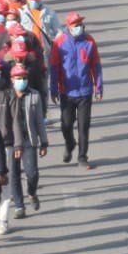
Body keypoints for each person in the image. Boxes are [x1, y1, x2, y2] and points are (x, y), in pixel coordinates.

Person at [49, 12, 103, 168]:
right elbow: (54, 68)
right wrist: (54, 89)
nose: (79, 27)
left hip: (85, 92)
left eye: (80, 24)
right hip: (67, 92)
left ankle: (82, 157)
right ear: (69, 27)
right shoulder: (60, 42)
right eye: (76, 25)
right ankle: (70, 143)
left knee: (83, 126)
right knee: (66, 125)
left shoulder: (89, 41)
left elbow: (96, 65)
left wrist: (98, 87)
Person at [8, 62, 48, 217]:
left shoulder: (34, 95)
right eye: (18, 78)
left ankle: (32, 192)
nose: (22, 81)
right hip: (12, 141)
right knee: (14, 174)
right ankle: (19, 206)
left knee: (32, 173)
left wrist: (44, 142)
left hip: (29, 140)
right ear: (12, 79)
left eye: (24, 78)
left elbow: (39, 121)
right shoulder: (7, 95)